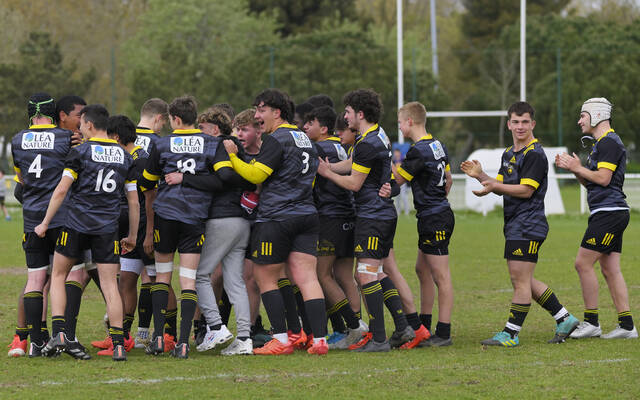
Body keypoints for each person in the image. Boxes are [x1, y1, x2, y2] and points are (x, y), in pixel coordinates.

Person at [461, 101, 579, 347]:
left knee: (520, 280)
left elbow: (525, 191)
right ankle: (564, 318)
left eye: (525, 122)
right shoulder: (508, 154)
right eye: (515, 122)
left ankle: (511, 334)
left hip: (529, 223)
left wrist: (494, 185)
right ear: (509, 124)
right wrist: (483, 178)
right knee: (524, 279)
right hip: (515, 223)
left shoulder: (535, 154)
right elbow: (504, 186)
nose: (520, 126)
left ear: (532, 124)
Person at [223, 88, 329, 355]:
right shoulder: (305, 138)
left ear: (276, 112)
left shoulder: (276, 138)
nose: (258, 116)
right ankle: (320, 340)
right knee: (306, 277)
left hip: (277, 216)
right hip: (307, 213)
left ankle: (281, 339)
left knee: (264, 276)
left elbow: (256, 175)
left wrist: (232, 156)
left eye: (261, 110)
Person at [36, 104, 139, 361]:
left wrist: (45, 222)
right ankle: (118, 345)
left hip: (76, 224)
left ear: (90, 125)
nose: (80, 129)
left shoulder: (80, 153)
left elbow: (61, 190)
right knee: (109, 285)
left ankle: (59, 333)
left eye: (81, 125)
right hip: (107, 229)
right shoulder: (126, 157)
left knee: (59, 275)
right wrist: (133, 235)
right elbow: (134, 201)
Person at [317, 88, 415, 352]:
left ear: (360, 114)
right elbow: (352, 164)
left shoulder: (367, 143)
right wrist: (327, 167)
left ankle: (379, 338)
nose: (345, 117)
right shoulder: (378, 135)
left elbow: (354, 183)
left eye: (348, 112)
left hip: (372, 215)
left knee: (365, 275)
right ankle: (403, 326)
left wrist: (327, 175)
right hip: (383, 213)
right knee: (378, 272)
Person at [164, 106, 255, 355]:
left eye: (202, 128)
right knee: (235, 281)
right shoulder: (235, 147)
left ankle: (216, 327)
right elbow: (247, 180)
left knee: (198, 275)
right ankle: (245, 338)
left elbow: (222, 179)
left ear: (215, 129)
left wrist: (185, 178)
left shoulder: (219, 146)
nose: (197, 133)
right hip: (240, 220)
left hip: (221, 219)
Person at [138, 96, 217, 359]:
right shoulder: (210, 142)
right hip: (195, 216)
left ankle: (159, 339)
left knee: (162, 275)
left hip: (166, 214)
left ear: (176, 119)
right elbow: (221, 177)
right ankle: (183, 343)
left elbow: (147, 180)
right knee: (188, 279)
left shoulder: (162, 143)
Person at [555, 97, 637, 339]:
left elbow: (603, 179)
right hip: (608, 212)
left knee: (582, 263)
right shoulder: (601, 143)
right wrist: (576, 168)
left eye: (583, 115)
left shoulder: (610, 142)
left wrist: (578, 167)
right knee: (610, 269)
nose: (579, 120)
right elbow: (592, 183)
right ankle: (627, 326)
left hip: (609, 213)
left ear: (597, 115)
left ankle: (591, 322)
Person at [11, 93, 74, 358]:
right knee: (65, 277)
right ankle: (65, 334)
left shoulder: (17, 140)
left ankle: (35, 342)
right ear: (53, 112)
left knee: (35, 280)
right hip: (60, 217)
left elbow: (21, 183)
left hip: (32, 217)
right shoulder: (67, 138)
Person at [303, 106, 368, 349]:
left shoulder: (318, 148)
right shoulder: (341, 145)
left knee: (322, 275)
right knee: (343, 275)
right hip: (348, 214)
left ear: (324, 128)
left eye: (310, 123)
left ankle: (351, 325)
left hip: (329, 217)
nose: (305, 127)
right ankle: (356, 328)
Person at [392, 101, 453, 347]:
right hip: (436, 213)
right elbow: (448, 180)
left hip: (434, 217)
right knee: (422, 269)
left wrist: (384, 159)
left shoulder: (418, 151)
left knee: (441, 276)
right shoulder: (438, 144)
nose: (399, 127)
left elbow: (397, 179)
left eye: (399, 122)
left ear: (410, 122)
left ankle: (444, 332)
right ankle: (424, 324)